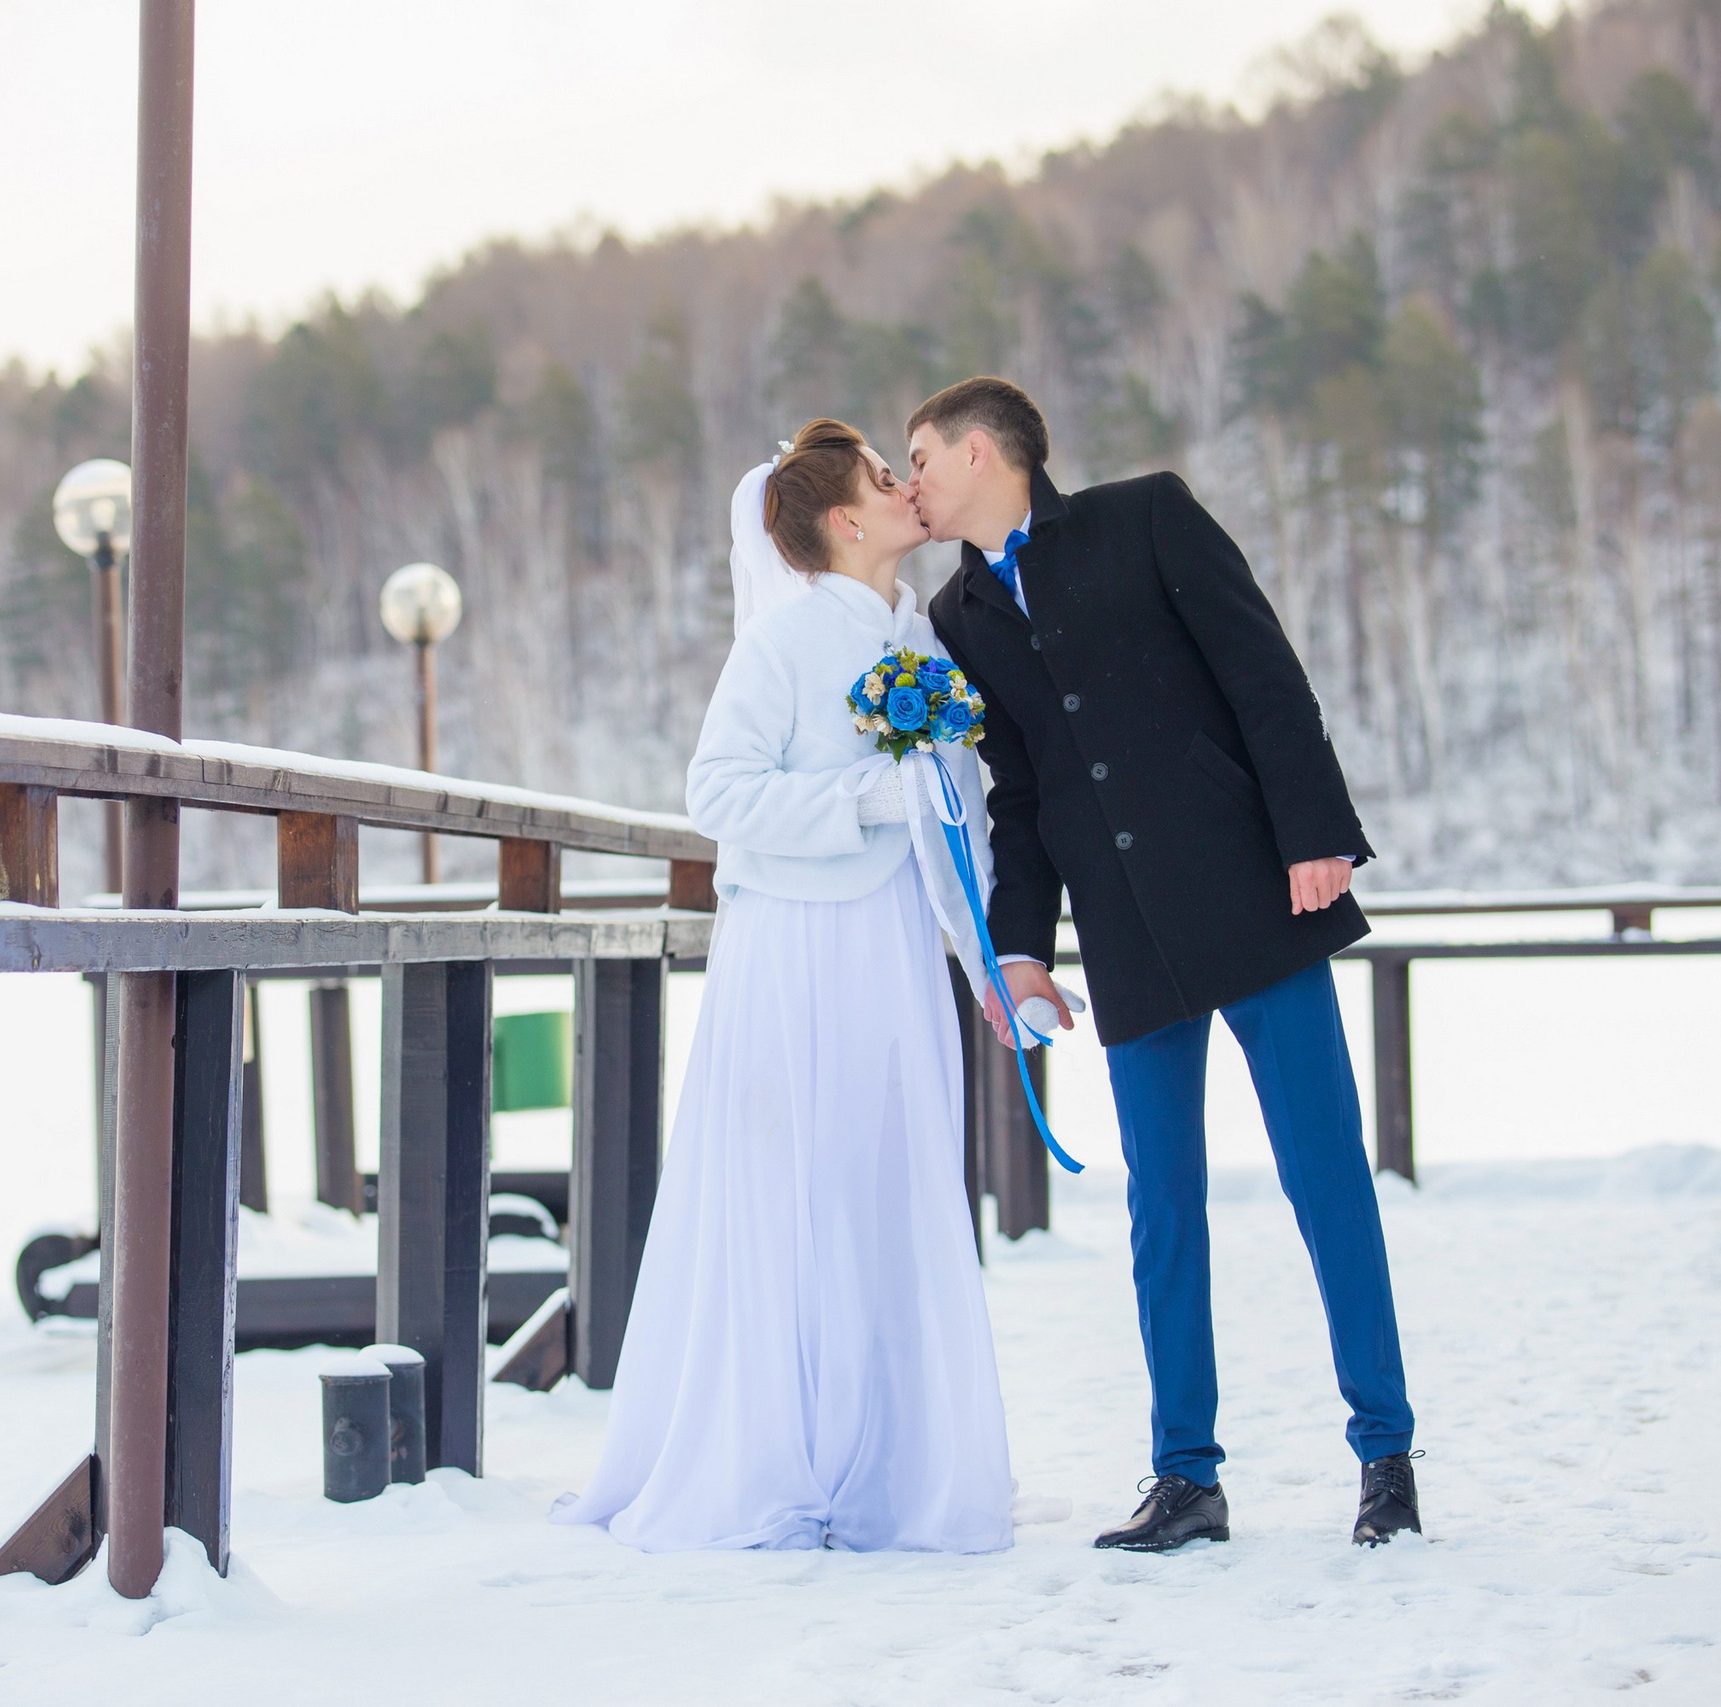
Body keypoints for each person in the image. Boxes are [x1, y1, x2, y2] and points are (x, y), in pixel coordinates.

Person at [909, 376, 1422, 1552]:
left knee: (1325, 1179)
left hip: (1253, 893)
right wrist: (1022, 949)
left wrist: (1315, 837)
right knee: (1160, 1210)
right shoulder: (960, 620)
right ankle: (1185, 1479)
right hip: (1125, 935)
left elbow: (1263, 673)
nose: (915, 482)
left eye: (923, 457)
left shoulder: (1146, 516)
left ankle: (1385, 1456)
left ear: (982, 451)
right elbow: (1021, 794)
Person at [552, 418, 1014, 1553]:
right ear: (844, 520)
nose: (908, 487)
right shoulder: (785, 639)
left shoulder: (925, 641)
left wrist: (988, 962)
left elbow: (960, 824)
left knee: (884, 1178)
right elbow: (720, 794)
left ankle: (886, 1466)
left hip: (897, 950)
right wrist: (865, 800)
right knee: (795, 1182)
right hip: (799, 951)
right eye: (880, 477)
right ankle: (777, 1453)